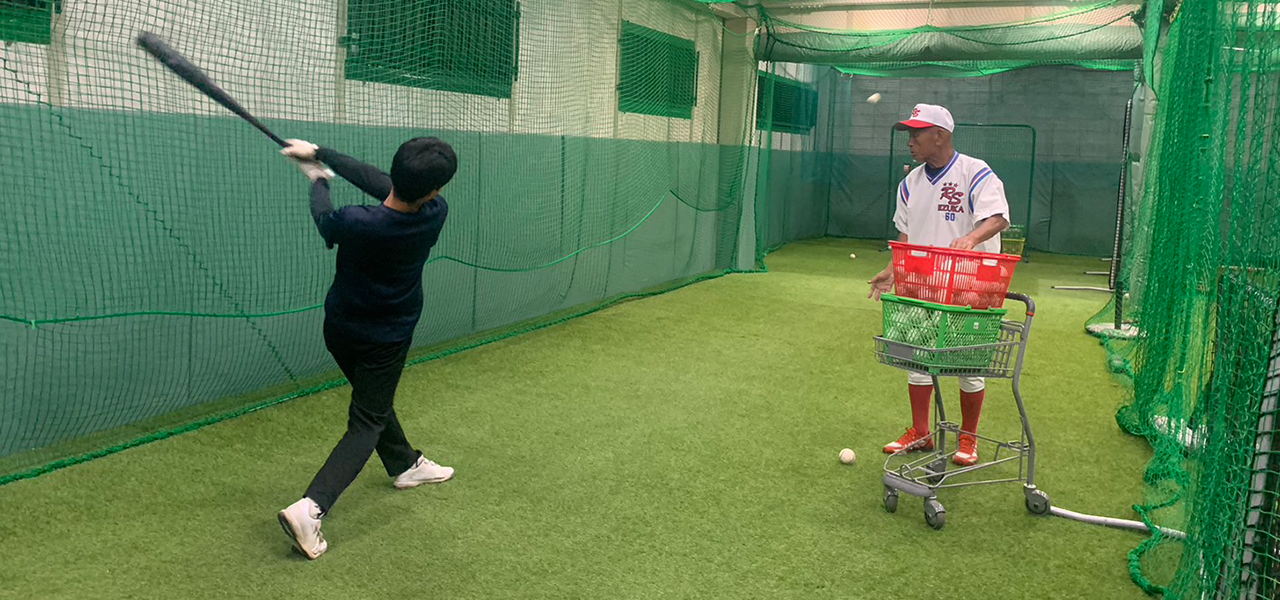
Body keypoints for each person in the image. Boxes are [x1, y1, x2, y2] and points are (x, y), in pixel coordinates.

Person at [275, 137, 458, 560]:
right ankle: (311, 508)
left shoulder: (356, 221)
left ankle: (406, 464)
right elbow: (382, 184)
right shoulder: (436, 212)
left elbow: (327, 219)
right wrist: (321, 155)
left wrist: (318, 177)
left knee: (373, 403)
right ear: (434, 190)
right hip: (386, 339)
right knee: (367, 421)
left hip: (340, 329)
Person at [868, 104, 1010, 467]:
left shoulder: (975, 172)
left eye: (917, 133)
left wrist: (972, 238)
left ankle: (968, 437)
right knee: (917, 358)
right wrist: (892, 270)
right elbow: (906, 235)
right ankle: (921, 432)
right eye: (909, 133)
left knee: (968, 365)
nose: (910, 141)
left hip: (970, 285)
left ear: (940, 135)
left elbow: (998, 218)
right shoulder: (910, 183)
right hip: (924, 284)